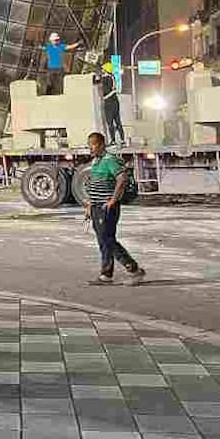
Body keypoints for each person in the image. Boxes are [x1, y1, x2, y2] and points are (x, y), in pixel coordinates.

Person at [84, 132, 144, 285]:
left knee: (108, 239)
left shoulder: (110, 160)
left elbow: (122, 178)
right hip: (96, 206)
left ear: (102, 145)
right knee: (102, 241)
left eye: (94, 144)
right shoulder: (96, 162)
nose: (91, 148)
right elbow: (94, 183)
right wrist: (90, 204)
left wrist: (113, 200)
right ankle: (106, 274)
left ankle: (134, 269)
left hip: (107, 208)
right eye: (89, 144)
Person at [101, 71, 126, 145]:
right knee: (115, 122)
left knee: (113, 122)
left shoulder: (108, 78)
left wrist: (104, 97)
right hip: (113, 101)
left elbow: (108, 90)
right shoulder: (109, 77)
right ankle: (119, 140)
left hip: (110, 102)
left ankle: (116, 140)